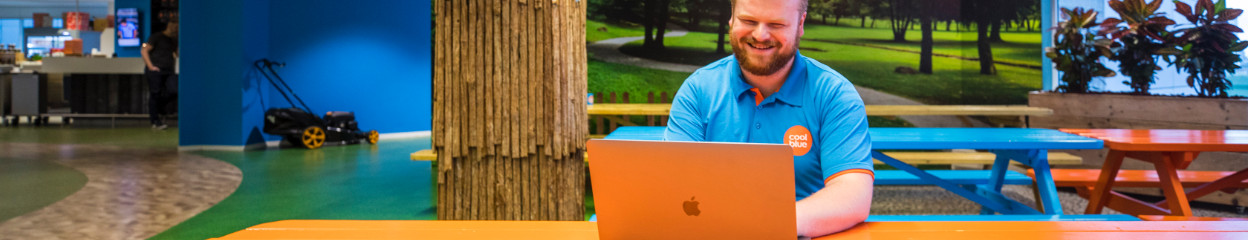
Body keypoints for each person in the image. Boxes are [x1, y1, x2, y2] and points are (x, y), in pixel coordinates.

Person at [663, 0, 872, 237]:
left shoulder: (834, 95)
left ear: (800, 24)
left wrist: (762, 226)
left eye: (776, 24)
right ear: (731, 18)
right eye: (748, 21)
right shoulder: (698, 90)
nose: (760, 35)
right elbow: (673, 185)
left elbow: (853, 196)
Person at [141, 20, 178, 130]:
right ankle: (155, 121)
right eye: (174, 25)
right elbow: (144, 51)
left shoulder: (174, 40)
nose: (176, 28)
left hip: (169, 70)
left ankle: (160, 107)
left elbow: (175, 54)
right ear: (169, 25)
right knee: (155, 94)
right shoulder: (156, 37)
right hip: (155, 70)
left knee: (174, 90)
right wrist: (151, 67)